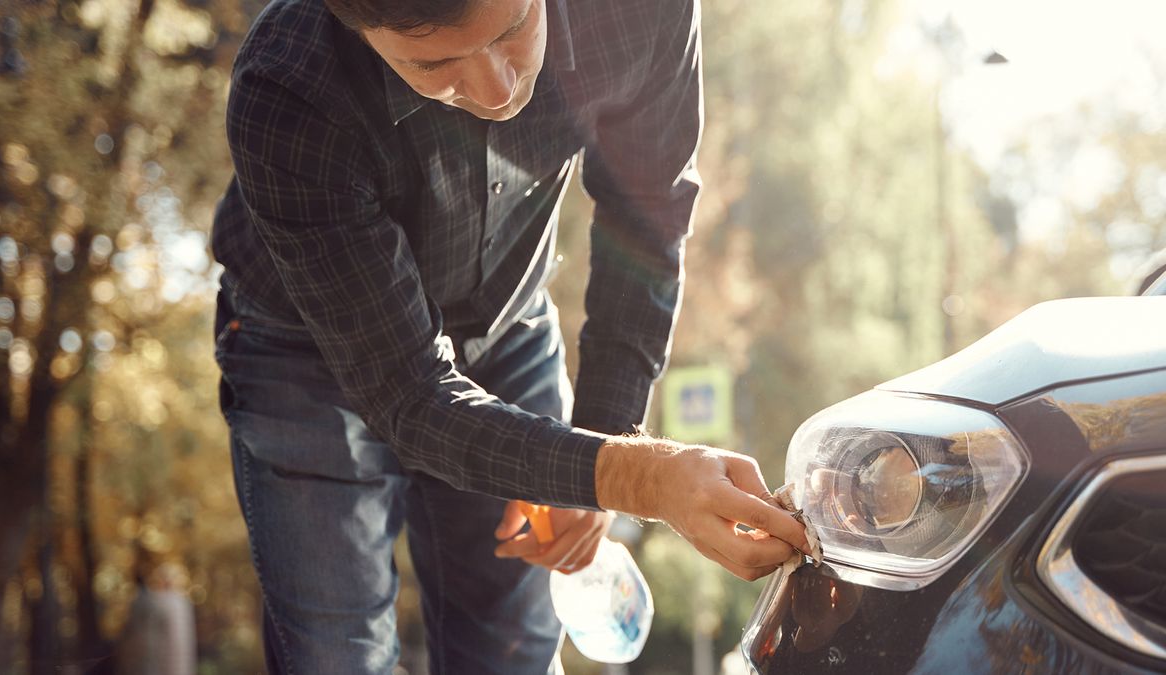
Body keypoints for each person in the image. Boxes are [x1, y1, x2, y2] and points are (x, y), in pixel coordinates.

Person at [209, 0, 810, 672]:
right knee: (335, 652)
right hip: (302, 347)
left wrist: (609, 437)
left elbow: (644, 223)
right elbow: (409, 396)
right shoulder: (286, 86)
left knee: (514, 649)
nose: (499, 90)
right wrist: (636, 477)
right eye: (434, 64)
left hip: (505, 324)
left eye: (514, 29)